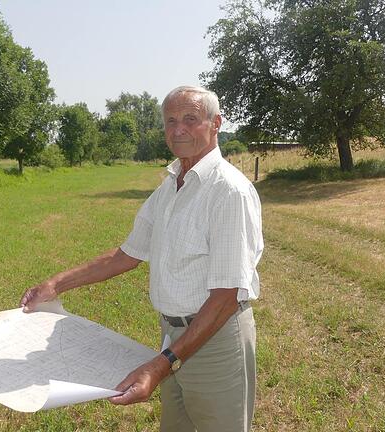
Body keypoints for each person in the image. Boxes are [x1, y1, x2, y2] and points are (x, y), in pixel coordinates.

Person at [19, 85, 263, 432]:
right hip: (173, 337)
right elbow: (126, 255)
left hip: (216, 341)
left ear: (216, 123)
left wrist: (160, 365)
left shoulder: (228, 192)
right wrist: (55, 284)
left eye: (190, 119)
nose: (178, 129)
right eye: (170, 121)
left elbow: (225, 297)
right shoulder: (170, 185)